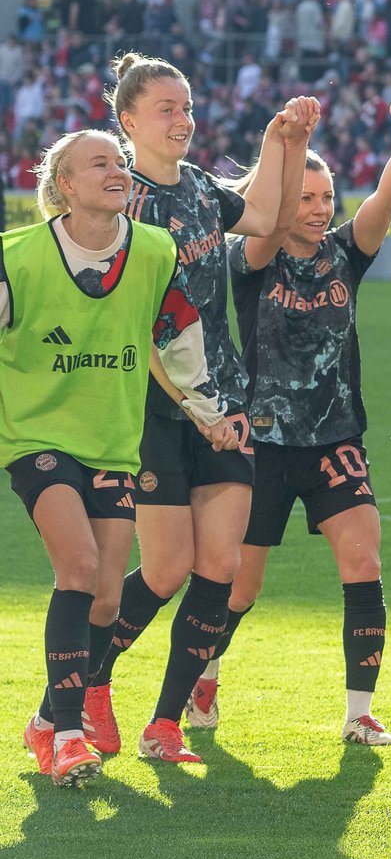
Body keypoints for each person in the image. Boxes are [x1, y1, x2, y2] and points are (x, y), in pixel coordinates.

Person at [90, 55, 313, 768]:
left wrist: (288, 141)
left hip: (224, 405)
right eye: (166, 108)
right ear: (128, 121)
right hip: (153, 407)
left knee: (218, 563)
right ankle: (84, 683)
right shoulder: (119, 204)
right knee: (165, 569)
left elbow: (271, 219)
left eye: (187, 107)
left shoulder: (198, 188)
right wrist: (193, 405)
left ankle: (164, 724)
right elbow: (140, 323)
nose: (183, 120)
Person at [6, 130, 234, 786]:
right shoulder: (17, 258)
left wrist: (210, 414)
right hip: (37, 439)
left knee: (106, 596)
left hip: (112, 440)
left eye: (119, 161)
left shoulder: (155, 251)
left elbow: (181, 335)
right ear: (66, 186)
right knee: (77, 566)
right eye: (99, 162)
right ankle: (71, 738)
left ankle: (49, 719)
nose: (117, 169)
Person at [198, 121, 391, 744]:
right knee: (241, 588)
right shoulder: (250, 257)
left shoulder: (347, 253)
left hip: (337, 440)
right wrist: (290, 151)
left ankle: (358, 712)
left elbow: (386, 197)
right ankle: (206, 672)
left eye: (327, 199)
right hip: (261, 444)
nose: (322, 209)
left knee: (364, 564)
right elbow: (266, 224)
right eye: (307, 197)